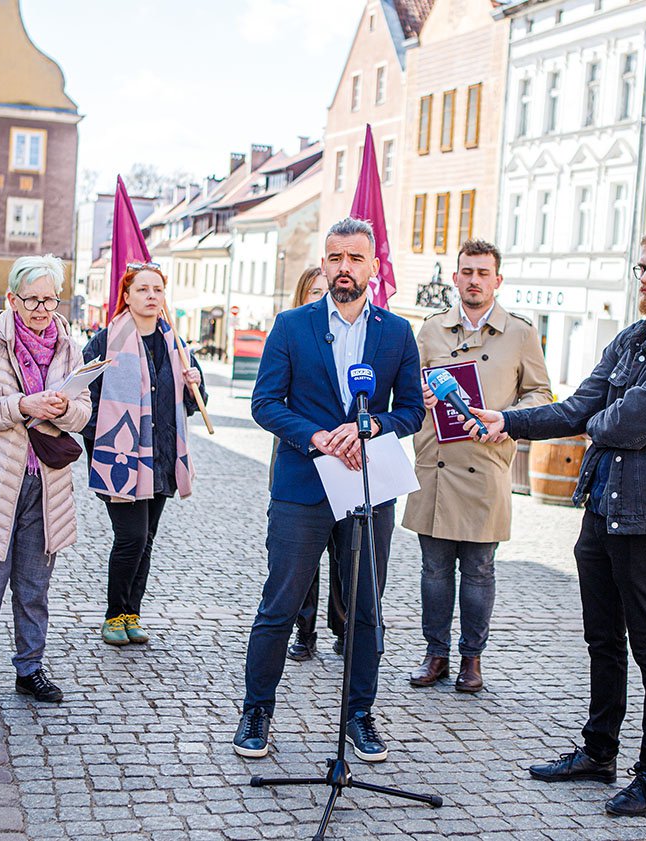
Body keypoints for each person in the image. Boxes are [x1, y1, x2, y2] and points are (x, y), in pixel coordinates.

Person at [466, 225, 646, 817]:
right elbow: (583, 407)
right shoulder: (631, 339)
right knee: (602, 639)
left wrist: (599, 419)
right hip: (603, 505)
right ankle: (598, 751)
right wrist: (508, 420)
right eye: (642, 268)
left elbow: (623, 423)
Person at [233, 218, 425, 763]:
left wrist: (371, 427)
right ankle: (257, 710)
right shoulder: (292, 325)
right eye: (335, 258)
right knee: (281, 602)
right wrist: (315, 436)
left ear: (373, 267)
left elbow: (410, 410)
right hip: (302, 486)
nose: (344, 268)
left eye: (355, 259)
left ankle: (360, 715)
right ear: (324, 263)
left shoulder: (396, 332)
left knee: (365, 607)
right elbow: (265, 403)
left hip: (368, 485)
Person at [0, 254, 92, 709]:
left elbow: (84, 414)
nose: (43, 309)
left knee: (34, 587)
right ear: (12, 298)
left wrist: (65, 410)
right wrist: (22, 405)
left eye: (51, 299)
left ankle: (30, 669)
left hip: (45, 485)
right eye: (32, 299)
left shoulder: (69, 347)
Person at [402, 239, 552, 693]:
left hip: (486, 464)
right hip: (437, 467)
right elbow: (408, 394)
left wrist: (509, 421)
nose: (474, 280)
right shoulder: (430, 331)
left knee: (480, 569)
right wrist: (421, 398)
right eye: (467, 271)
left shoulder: (521, 333)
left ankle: (472, 658)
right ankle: (435, 653)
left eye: (483, 273)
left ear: (497, 280)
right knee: (433, 570)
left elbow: (541, 395)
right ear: (455, 278)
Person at [82, 261, 208, 646]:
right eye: (142, 289)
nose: (151, 296)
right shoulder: (105, 342)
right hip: (120, 458)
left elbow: (194, 404)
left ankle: (130, 614)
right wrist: (103, 445)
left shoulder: (176, 345)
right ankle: (112, 615)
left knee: (147, 538)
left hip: (162, 458)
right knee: (131, 537)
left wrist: (194, 384)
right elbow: (84, 400)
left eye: (157, 289)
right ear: (126, 296)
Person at [278, 266, 347, 662]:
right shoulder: (290, 333)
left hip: (347, 459)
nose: (323, 297)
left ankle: (342, 625)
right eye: (314, 292)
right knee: (303, 558)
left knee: (343, 552)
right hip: (302, 456)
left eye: (327, 290)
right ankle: (304, 631)